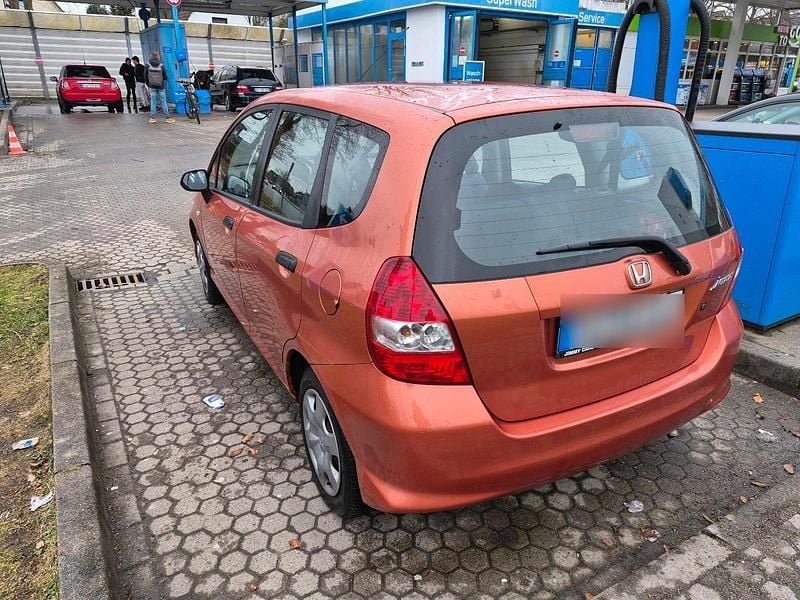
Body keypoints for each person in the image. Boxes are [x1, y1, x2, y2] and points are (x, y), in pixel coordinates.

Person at [145, 52, 174, 124]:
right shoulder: (161, 66)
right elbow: (165, 77)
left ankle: (153, 118)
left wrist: (148, 84)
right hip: (161, 86)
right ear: (158, 57)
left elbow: (145, 76)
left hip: (152, 86)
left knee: (153, 102)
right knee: (163, 101)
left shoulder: (147, 65)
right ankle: (167, 117)